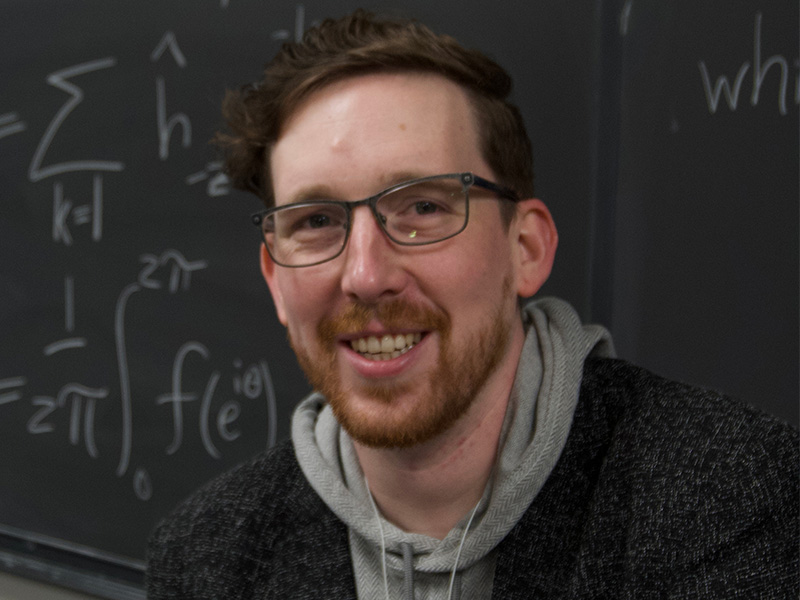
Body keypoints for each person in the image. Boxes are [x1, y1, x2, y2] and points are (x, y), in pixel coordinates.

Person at [146, 10, 798, 599]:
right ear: (274, 278)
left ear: (527, 248)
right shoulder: (206, 556)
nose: (366, 276)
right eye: (316, 220)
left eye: (424, 207)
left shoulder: (729, 501)